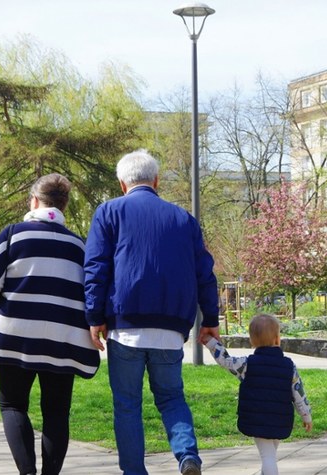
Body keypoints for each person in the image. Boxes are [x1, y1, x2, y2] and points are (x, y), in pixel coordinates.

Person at [84, 149, 220, 475]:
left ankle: (134, 472)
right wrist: (211, 320)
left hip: (125, 326)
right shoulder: (184, 220)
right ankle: (187, 456)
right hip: (171, 329)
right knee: (172, 398)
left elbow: (96, 268)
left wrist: (94, 317)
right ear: (156, 181)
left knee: (128, 405)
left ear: (122, 184)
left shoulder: (109, 213)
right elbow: (205, 273)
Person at [0, 173, 100, 475]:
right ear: (64, 205)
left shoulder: (14, 234)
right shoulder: (79, 246)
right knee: (56, 413)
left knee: (13, 406)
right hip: (65, 339)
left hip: (18, 336)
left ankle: (27, 473)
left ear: (34, 201)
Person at [201, 314, 312, 475]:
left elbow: (225, 360)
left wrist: (211, 342)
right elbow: (298, 392)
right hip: (280, 418)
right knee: (270, 454)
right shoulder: (288, 366)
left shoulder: (247, 364)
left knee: (268, 457)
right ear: (277, 339)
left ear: (252, 341)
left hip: (257, 418)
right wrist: (306, 415)